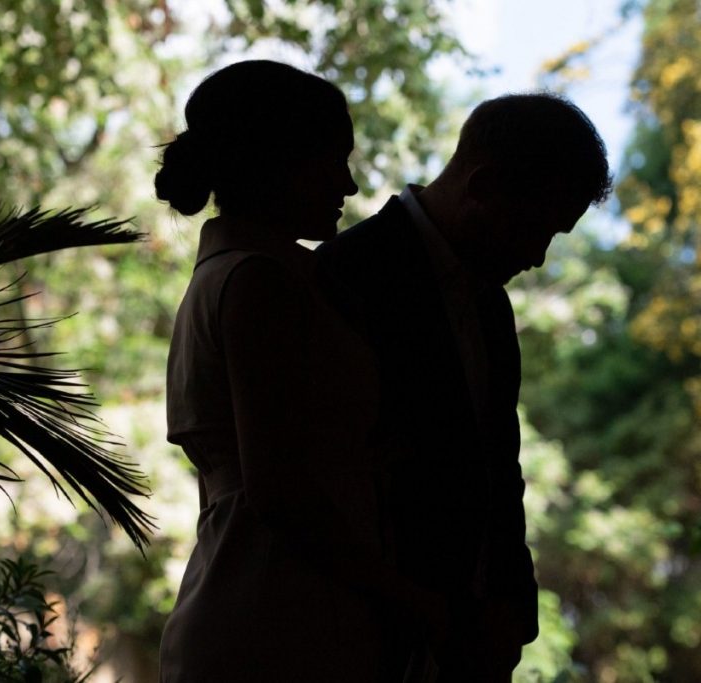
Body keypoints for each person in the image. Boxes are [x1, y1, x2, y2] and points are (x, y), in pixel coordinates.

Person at [156, 60, 439, 682]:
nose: (350, 185)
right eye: (333, 160)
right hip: (275, 619)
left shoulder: (241, 278)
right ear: (275, 162)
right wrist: (419, 605)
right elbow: (283, 490)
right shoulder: (260, 284)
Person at [316, 93, 613, 681]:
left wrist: (511, 612)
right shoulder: (343, 277)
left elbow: (499, 467)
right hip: (363, 640)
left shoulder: (491, 307)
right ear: (482, 186)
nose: (537, 257)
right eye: (535, 228)